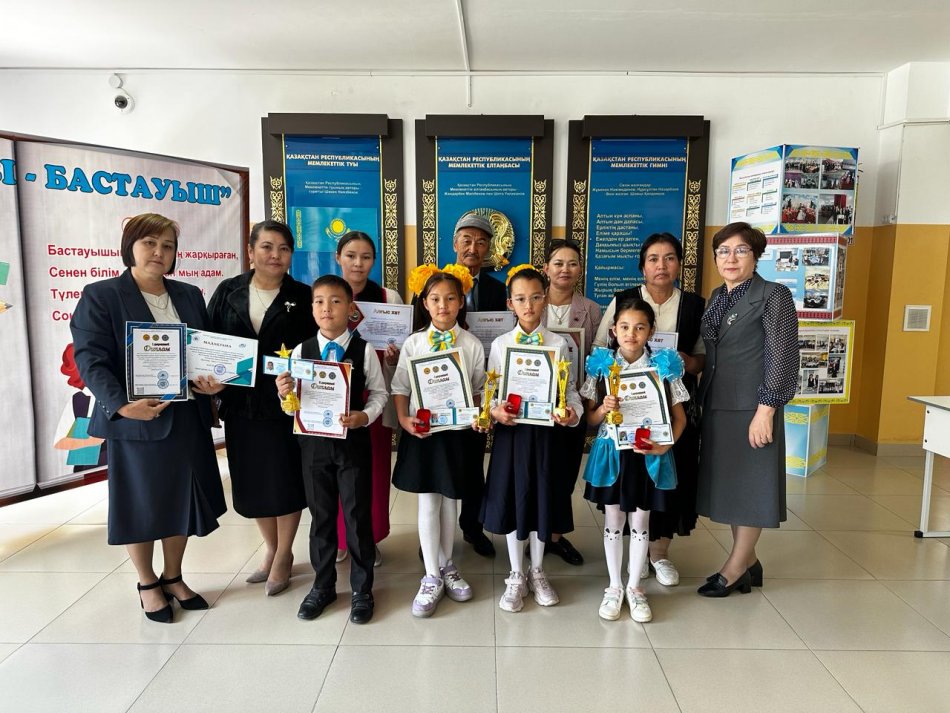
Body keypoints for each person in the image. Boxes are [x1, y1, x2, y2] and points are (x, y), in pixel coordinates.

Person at [70, 213, 226, 624]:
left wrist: (209, 382)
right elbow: (90, 359)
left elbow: (200, 352)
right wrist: (122, 405)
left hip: (186, 416)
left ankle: (173, 576)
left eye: (167, 246)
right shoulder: (101, 295)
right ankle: (147, 582)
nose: (159, 252)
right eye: (149, 243)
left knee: (181, 500)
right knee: (140, 503)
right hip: (137, 419)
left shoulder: (189, 295)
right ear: (131, 247)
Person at [207, 219, 315, 596]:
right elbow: (208, 340)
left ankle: (284, 553)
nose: (275, 255)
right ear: (251, 251)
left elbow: (316, 348)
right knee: (252, 482)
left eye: (283, 249)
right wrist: (211, 380)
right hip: (240, 404)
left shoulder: (303, 295)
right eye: (266, 247)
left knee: (285, 480)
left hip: (286, 403)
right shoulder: (228, 291)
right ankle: (270, 547)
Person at [593, 233, 705, 587]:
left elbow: (704, 357)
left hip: (672, 405)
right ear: (642, 266)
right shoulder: (623, 299)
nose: (661, 265)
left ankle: (660, 553)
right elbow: (600, 348)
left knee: (668, 478)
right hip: (624, 409)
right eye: (653, 259)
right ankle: (633, 559)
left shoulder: (694, 304)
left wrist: (687, 362)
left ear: (679, 264)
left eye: (669, 258)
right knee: (629, 481)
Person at [276, 275, 387, 624]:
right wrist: (285, 395)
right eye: (320, 301)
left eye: (336, 301)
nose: (327, 308)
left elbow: (380, 394)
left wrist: (365, 416)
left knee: (356, 517)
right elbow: (292, 407)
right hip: (313, 448)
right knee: (321, 517)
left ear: (351, 308)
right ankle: (322, 586)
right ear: (312, 309)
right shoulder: (300, 351)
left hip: (353, 445)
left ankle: (362, 589)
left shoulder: (364, 350)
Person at [696, 222, 798, 597]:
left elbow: (782, 355)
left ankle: (734, 569)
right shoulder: (717, 296)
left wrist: (766, 409)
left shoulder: (773, 295)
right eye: (723, 251)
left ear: (756, 255)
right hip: (719, 403)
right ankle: (750, 561)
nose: (731, 258)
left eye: (741, 250)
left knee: (751, 487)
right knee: (733, 488)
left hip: (753, 407)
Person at [481, 265, 582, 613]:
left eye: (536, 297)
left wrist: (570, 412)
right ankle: (515, 573)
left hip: (546, 437)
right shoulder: (500, 344)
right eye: (521, 299)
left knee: (541, 500)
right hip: (513, 436)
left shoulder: (558, 344)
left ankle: (537, 570)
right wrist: (495, 411)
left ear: (545, 299)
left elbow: (570, 391)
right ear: (510, 303)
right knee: (513, 499)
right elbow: (490, 392)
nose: (529, 305)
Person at [582, 298, 687, 622]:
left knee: (641, 523)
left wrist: (665, 446)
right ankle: (614, 586)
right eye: (625, 327)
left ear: (651, 331)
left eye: (640, 327)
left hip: (647, 455)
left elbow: (680, 418)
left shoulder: (663, 366)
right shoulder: (602, 366)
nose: (631, 334)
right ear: (614, 330)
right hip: (613, 454)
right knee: (613, 523)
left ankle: (635, 588)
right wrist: (603, 408)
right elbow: (590, 419)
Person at [391, 264, 485, 618]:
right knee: (429, 501)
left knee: (451, 501)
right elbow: (400, 387)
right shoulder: (414, 342)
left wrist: (478, 412)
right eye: (435, 299)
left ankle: (447, 566)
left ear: (461, 302)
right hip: (425, 433)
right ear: (425, 303)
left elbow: (480, 389)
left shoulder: (472, 344)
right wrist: (404, 419)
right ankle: (431, 575)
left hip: (458, 434)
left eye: (450, 298)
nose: (443, 305)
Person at [333, 230, 402, 567]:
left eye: (365, 257)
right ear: (338, 258)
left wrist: (393, 357)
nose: (358, 263)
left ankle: (369, 537)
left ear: (374, 261)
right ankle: (339, 539)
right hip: (335, 395)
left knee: (372, 469)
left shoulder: (388, 297)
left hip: (375, 395)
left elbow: (402, 351)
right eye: (351, 256)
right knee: (335, 469)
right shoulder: (328, 294)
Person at [540, 239, 602, 566]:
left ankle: (554, 536)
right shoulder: (532, 300)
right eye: (558, 263)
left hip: (572, 403)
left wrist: (586, 400)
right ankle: (533, 533)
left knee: (564, 473)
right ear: (546, 268)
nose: (565, 269)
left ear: (580, 269)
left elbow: (596, 359)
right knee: (536, 470)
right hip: (534, 404)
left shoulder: (591, 309)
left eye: (573, 263)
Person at [452, 211, 507, 558]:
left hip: (481, 387)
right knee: (444, 460)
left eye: (481, 242)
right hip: (441, 387)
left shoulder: (499, 290)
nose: (473, 248)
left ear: (489, 249)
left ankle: (472, 527)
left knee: (474, 461)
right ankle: (437, 534)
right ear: (455, 243)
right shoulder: (433, 282)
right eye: (467, 240)